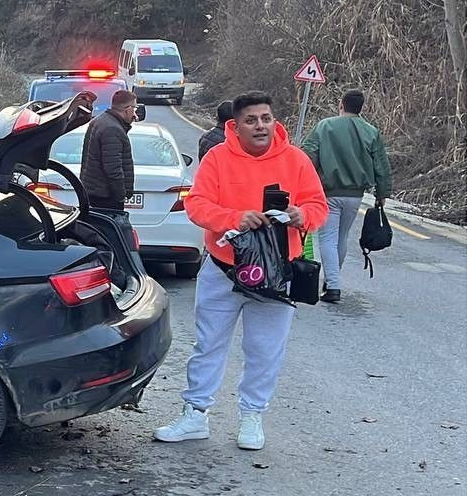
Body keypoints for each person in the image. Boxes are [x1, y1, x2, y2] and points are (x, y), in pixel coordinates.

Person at [152, 92, 327, 451]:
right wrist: (235, 218)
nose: (260, 126)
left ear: (274, 121)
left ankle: (252, 416)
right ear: (236, 125)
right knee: (208, 344)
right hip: (224, 268)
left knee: (265, 350)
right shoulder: (218, 158)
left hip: (277, 274)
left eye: (266, 118)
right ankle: (195, 414)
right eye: (251, 120)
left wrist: (301, 215)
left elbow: (318, 206)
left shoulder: (296, 160)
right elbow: (197, 205)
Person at [300, 89, 392, 303]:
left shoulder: (324, 126)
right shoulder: (371, 131)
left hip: (328, 192)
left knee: (328, 238)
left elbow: (307, 156)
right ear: (361, 107)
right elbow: (382, 166)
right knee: (341, 237)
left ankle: (333, 286)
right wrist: (382, 193)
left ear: (341, 104)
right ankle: (331, 281)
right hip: (355, 195)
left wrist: (302, 184)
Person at [80, 89, 137, 211]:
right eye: (134, 108)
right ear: (128, 109)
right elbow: (113, 169)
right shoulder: (113, 129)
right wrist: (120, 196)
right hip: (106, 197)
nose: (135, 114)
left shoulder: (99, 121)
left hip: (95, 192)